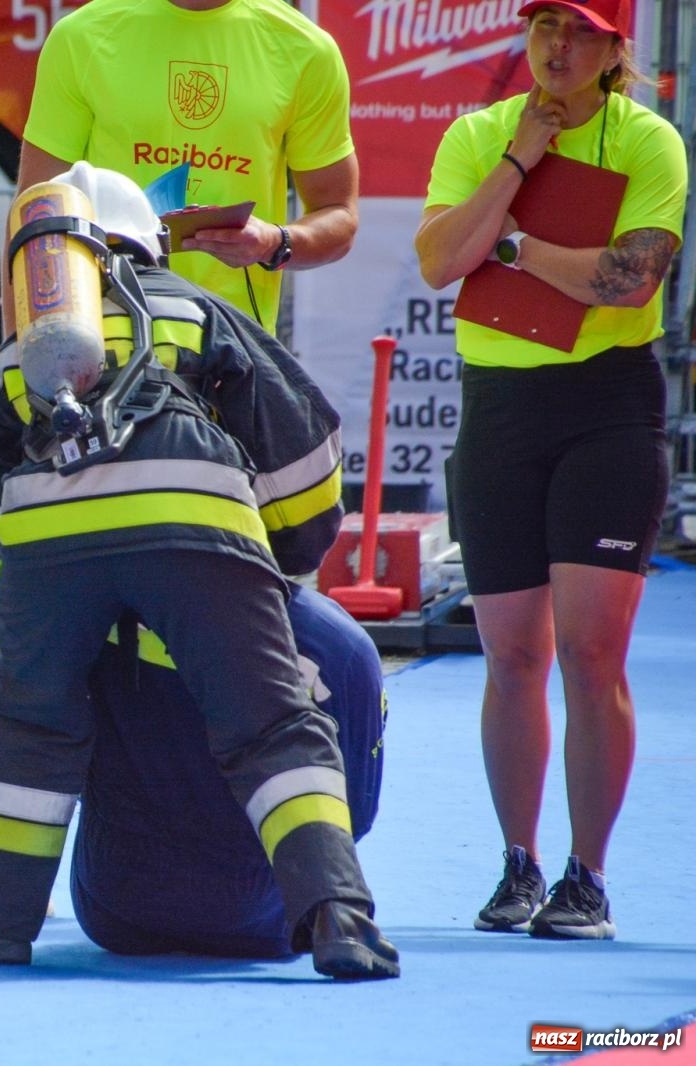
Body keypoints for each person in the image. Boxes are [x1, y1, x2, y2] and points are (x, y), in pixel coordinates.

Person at [0, 163, 396, 979]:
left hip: (50, 543)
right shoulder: (194, 308)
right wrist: (276, 571)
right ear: (148, 244)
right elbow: (302, 456)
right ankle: (338, 918)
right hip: (192, 515)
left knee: (28, 732)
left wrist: (25, 618)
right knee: (270, 723)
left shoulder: (16, 355)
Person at [415, 0, 685, 941]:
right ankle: (519, 864)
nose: (556, 48)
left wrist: (518, 245)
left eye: (577, 33)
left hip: (608, 408)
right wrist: (520, 163)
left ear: (615, 49)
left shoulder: (651, 142)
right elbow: (443, 260)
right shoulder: (478, 134)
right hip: (500, 408)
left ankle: (589, 875)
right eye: (542, 29)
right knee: (512, 655)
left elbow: (629, 279)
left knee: (589, 652)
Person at [74, 585, 386, 958]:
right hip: (268, 922)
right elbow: (357, 816)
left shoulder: (95, 608)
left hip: (115, 911)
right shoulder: (336, 642)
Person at [7, 0, 358, 331]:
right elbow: (32, 217)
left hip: (231, 356)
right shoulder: (83, 35)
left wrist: (272, 242)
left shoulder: (306, 50)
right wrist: (21, 362)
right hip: (106, 349)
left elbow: (338, 215)